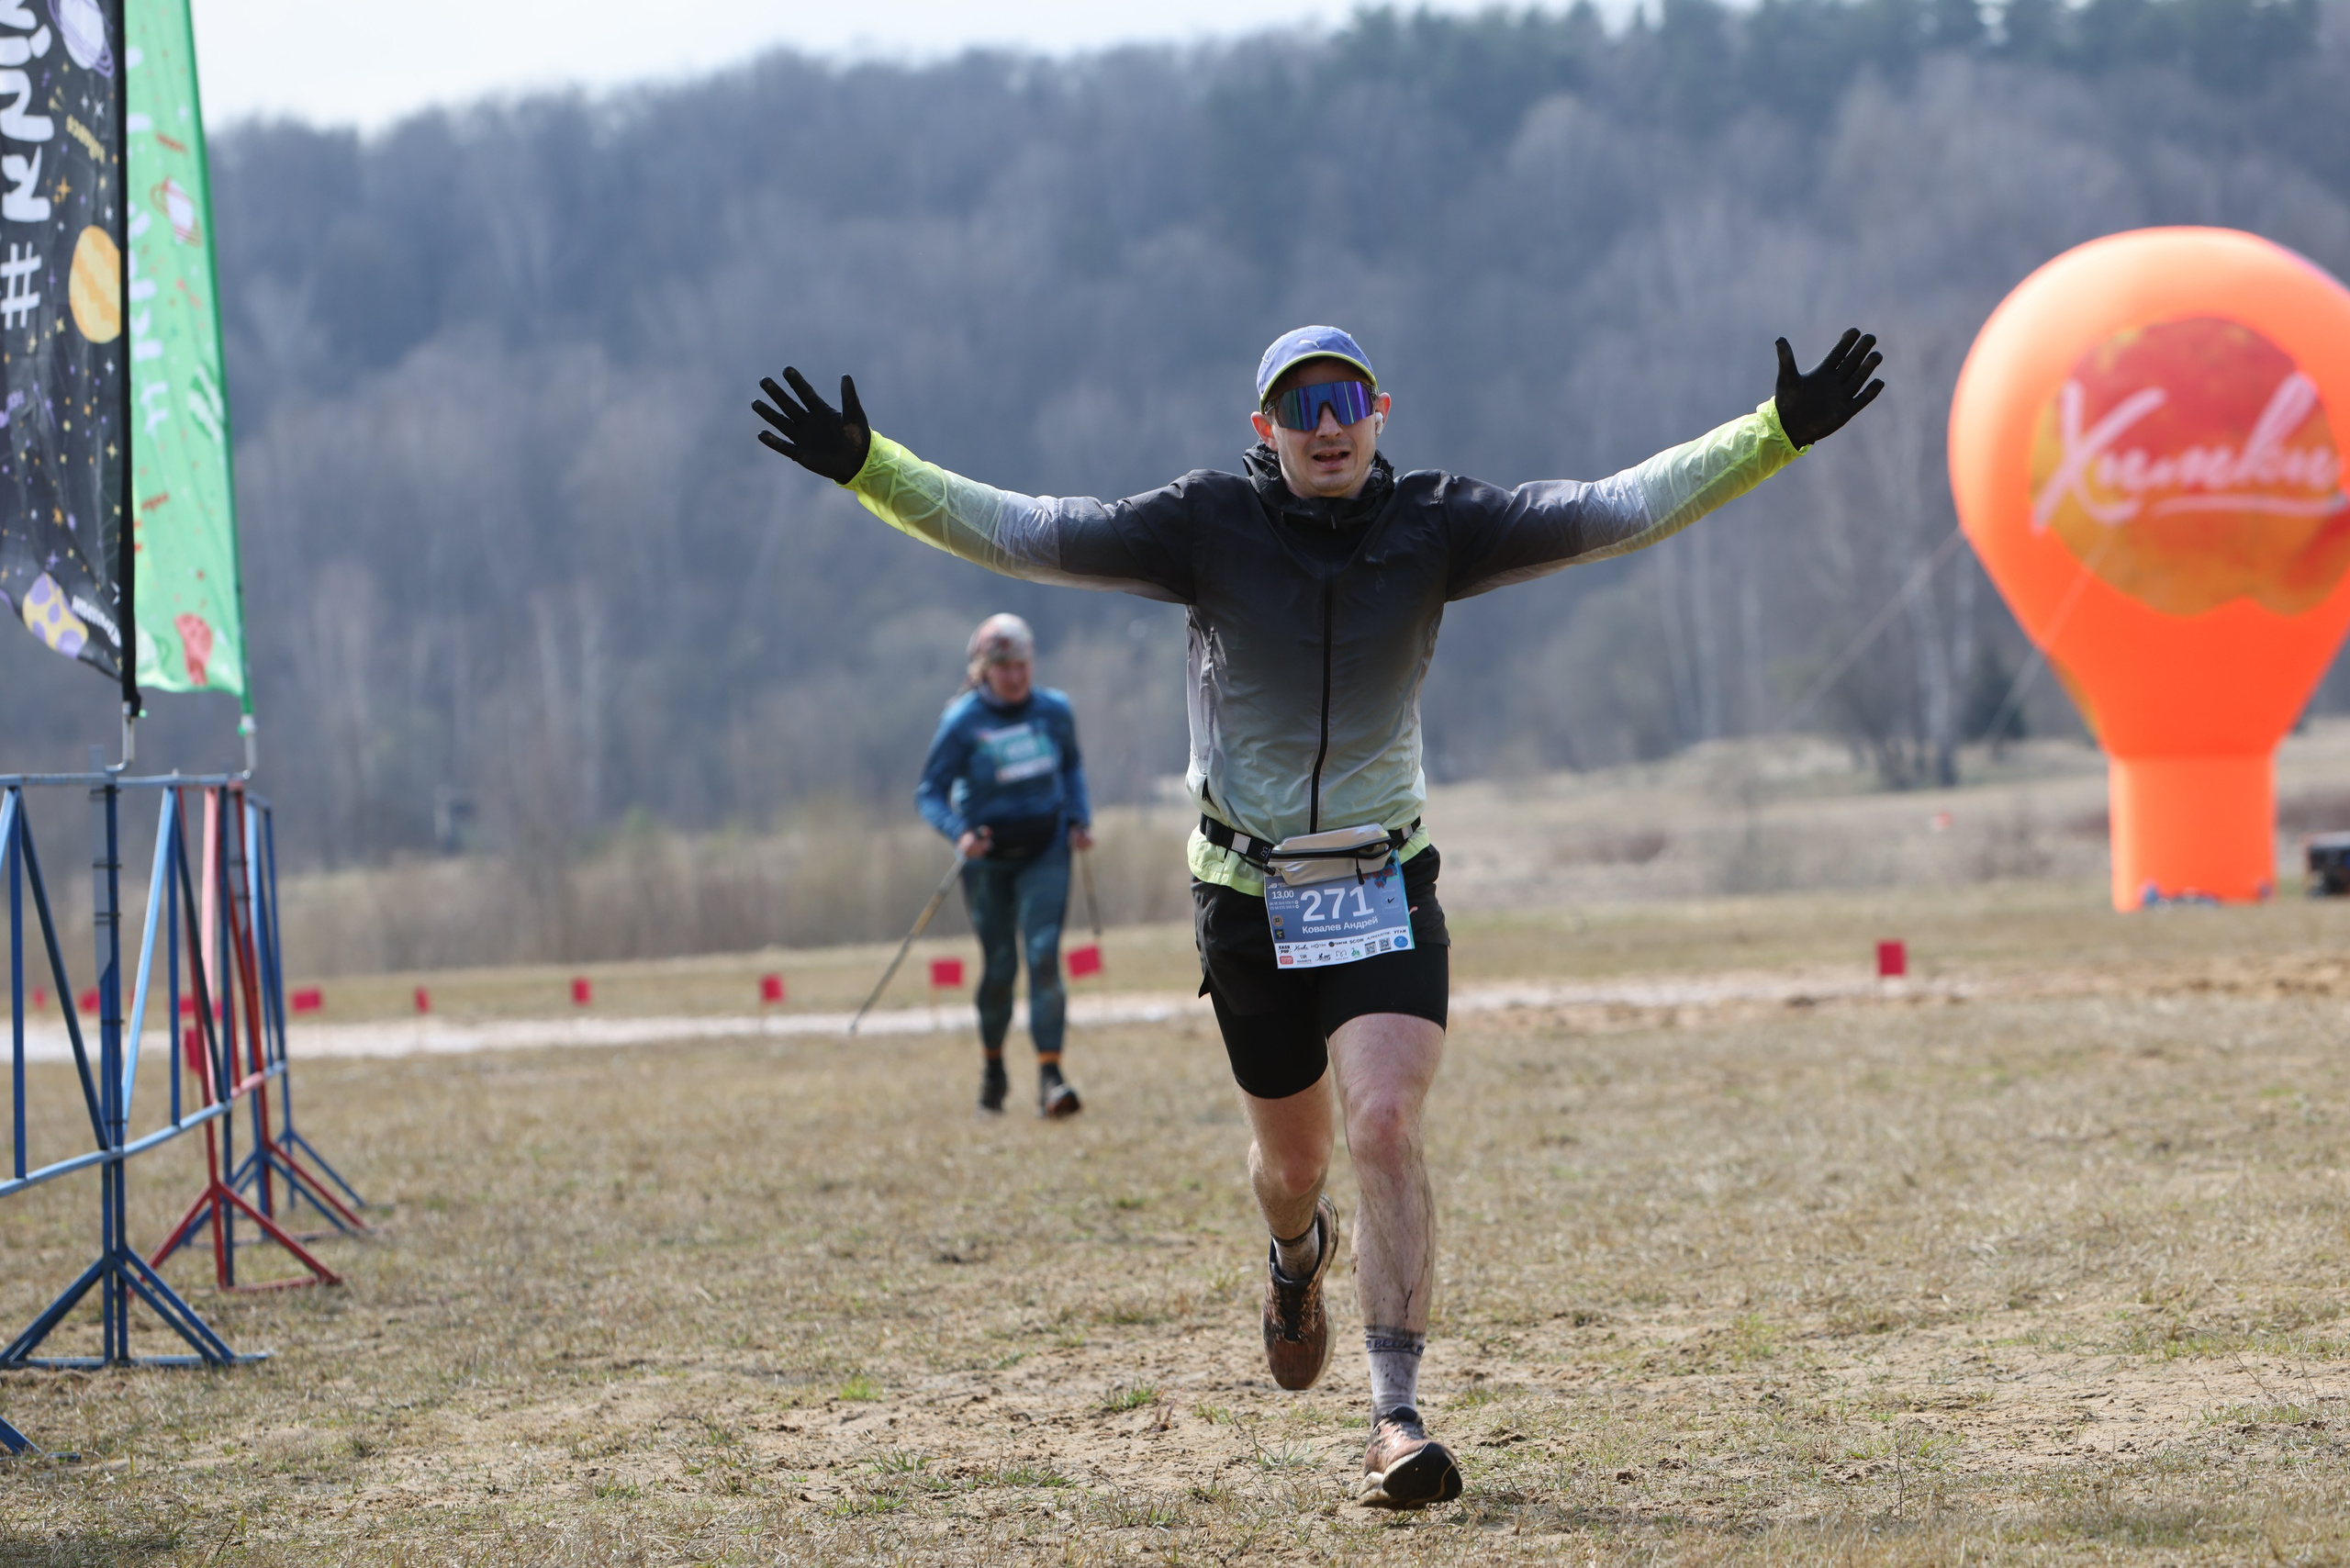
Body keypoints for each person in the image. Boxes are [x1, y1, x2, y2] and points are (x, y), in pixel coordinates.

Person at [755, 322, 1883, 1508]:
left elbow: (1618, 509)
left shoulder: (1440, 523)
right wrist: (869, 465)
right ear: (1267, 430)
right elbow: (1027, 532)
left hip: (1383, 880)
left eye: (1347, 399)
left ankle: (1396, 1417)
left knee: (1385, 1121)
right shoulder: (1203, 524)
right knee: (1292, 1168)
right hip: (1246, 897)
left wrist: (1776, 434)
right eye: (1302, 406)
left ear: (1380, 412)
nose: (1329, 423)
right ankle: (1296, 1253)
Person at [916, 612, 1094, 1118]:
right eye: (1004, 668)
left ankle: (1051, 1077)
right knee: (999, 967)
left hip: (1046, 851)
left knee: (1043, 955)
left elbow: (1071, 767)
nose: (1015, 676)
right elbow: (929, 793)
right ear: (983, 670)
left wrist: (1079, 817)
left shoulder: (1055, 710)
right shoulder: (962, 721)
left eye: (1022, 665)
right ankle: (993, 1072)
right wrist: (959, 832)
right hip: (988, 862)